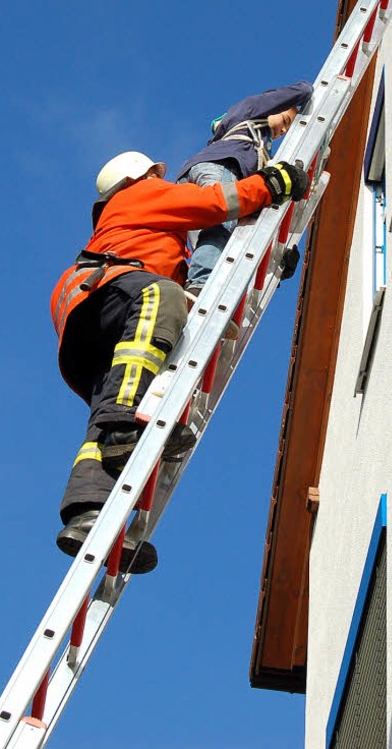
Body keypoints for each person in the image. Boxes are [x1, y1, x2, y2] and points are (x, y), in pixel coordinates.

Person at [51, 149, 309, 574]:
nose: (164, 178)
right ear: (145, 174)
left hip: (87, 321)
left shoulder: (135, 230)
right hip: (112, 289)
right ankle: (122, 428)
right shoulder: (140, 194)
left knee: (107, 414)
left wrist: (274, 259)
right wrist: (274, 182)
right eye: (158, 172)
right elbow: (213, 205)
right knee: (163, 298)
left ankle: (87, 516)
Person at [176, 81, 313, 320]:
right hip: (220, 166)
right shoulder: (250, 110)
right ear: (273, 107)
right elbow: (293, 94)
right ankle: (201, 286)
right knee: (220, 223)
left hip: (202, 173)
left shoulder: (255, 144)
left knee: (213, 239)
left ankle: (200, 291)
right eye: (286, 120)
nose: (283, 130)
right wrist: (307, 90)